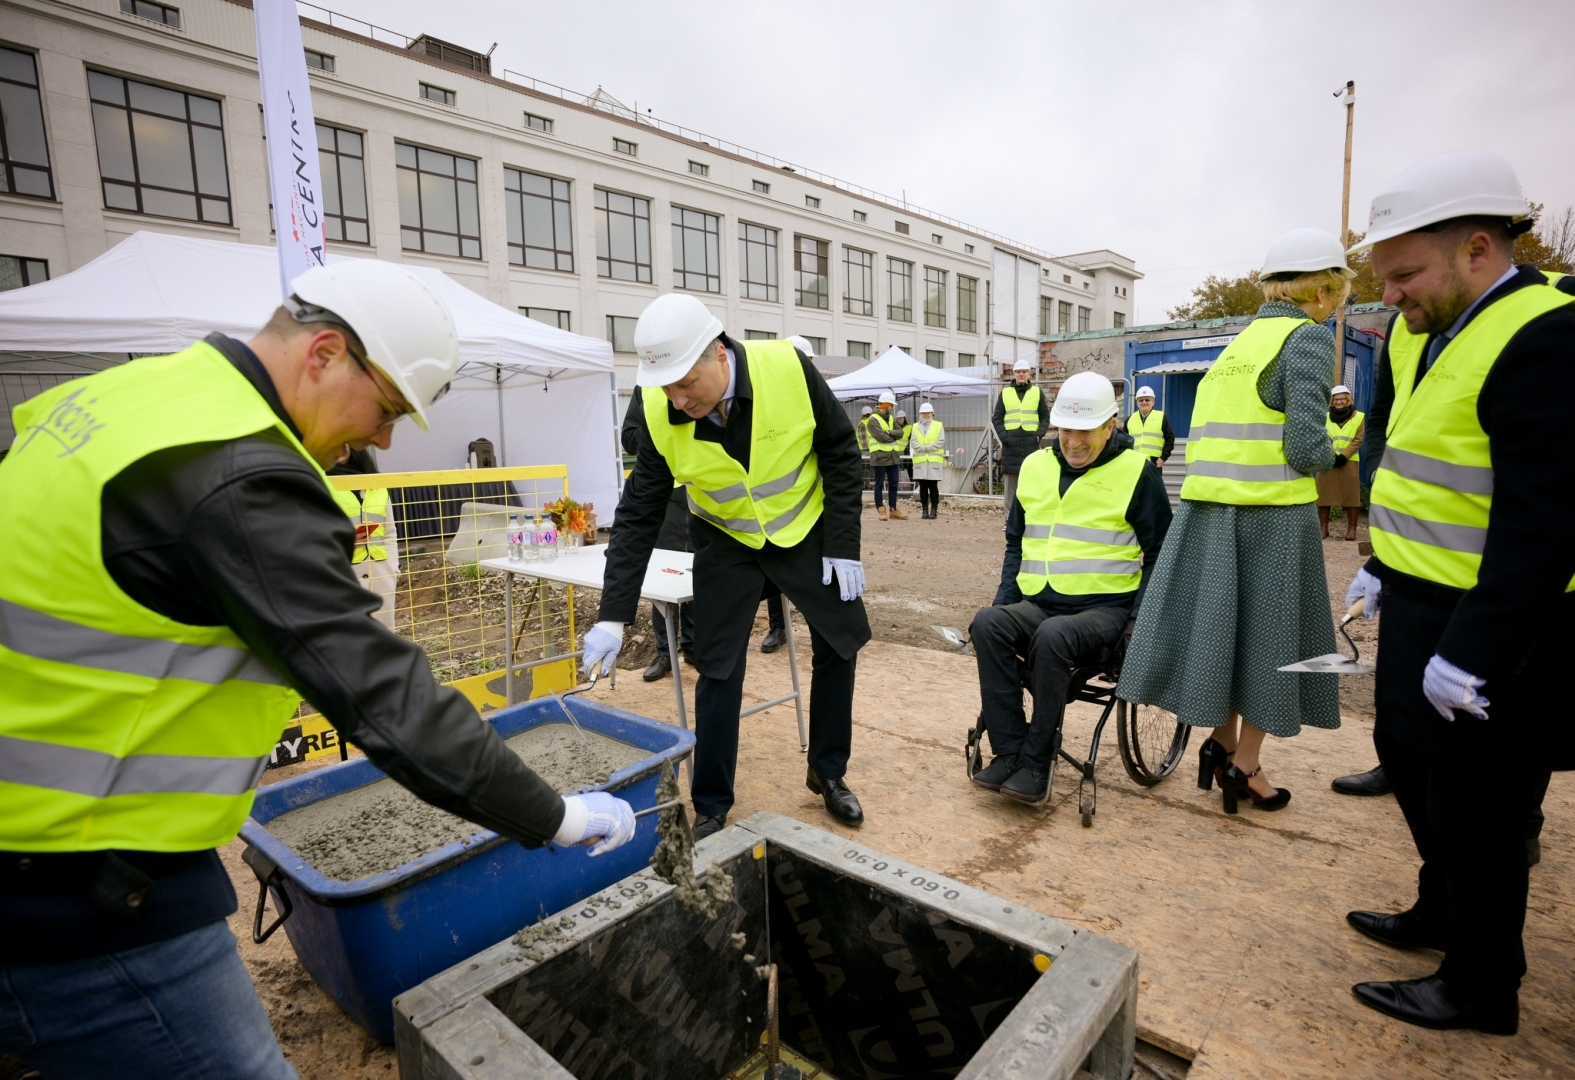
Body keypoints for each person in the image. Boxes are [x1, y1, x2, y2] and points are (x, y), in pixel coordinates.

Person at [0, 260, 635, 1080]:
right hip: (74, 877)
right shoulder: (239, 474)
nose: (383, 439)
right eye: (389, 408)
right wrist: (553, 818)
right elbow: (386, 700)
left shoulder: (129, 401)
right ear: (326, 353)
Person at [1336, 152, 1575, 1035]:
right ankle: (1441, 912)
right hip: (1421, 597)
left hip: (1494, 623)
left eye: (1403, 275)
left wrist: (1473, 652)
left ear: (1477, 248)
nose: (1390, 296)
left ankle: (1480, 986)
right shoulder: (1442, 327)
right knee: (1408, 760)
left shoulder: (1541, 334)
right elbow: (1425, 464)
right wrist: (1382, 566)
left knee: (1479, 809)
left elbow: (1541, 522)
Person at [581, 294, 869, 840]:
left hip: (802, 528)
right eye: (666, 385)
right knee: (715, 663)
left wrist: (843, 544)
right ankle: (711, 803)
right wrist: (614, 615)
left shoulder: (788, 367)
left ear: (719, 354)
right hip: (725, 536)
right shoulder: (658, 405)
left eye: (686, 383)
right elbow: (638, 513)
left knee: (840, 640)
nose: (677, 398)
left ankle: (828, 773)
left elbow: (838, 450)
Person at [1117, 227, 1347, 814]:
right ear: (1322, 289)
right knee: (1269, 642)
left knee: (1225, 636)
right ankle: (1244, 765)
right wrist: (1337, 455)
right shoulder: (1309, 339)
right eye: (1340, 287)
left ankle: (1219, 741)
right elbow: (1303, 446)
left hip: (1209, 515)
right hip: (1270, 519)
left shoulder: (1241, 343)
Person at [969, 373, 1171, 802]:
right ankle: (1009, 753)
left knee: (1053, 636)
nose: (1073, 442)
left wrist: (1139, 623)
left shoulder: (1137, 472)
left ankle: (1037, 764)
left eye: (1086, 431)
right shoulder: (1035, 466)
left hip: (1103, 610)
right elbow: (1016, 543)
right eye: (1065, 430)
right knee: (987, 624)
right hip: (1039, 602)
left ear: (1111, 425)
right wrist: (1004, 603)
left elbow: (1160, 555)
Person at [620, 385, 695, 681]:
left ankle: (692, 646)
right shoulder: (646, 390)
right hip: (664, 497)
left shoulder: (696, 382)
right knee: (664, 575)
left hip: (701, 491)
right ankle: (665, 650)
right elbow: (628, 439)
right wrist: (660, 429)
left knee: (696, 571)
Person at [328, 448, 398, 629]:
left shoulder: (378, 487)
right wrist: (346, 540)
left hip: (381, 576)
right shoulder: (322, 485)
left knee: (385, 636)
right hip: (343, 575)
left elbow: (390, 532)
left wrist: (392, 570)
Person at [993, 358, 1048, 509]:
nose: (1021, 374)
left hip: (1031, 443)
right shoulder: (1005, 393)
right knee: (1011, 484)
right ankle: (1009, 518)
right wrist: (1005, 437)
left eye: (1024, 372)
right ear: (1014, 374)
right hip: (1011, 445)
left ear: (1029, 374)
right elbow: (997, 418)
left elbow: (1045, 417)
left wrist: (1038, 434)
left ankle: (1029, 515)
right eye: (1018, 372)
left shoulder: (1037, 392)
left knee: (1031, 482)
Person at [1317, 385, 1365, 541]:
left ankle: (1352, 530)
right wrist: (1331, 455)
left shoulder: (1359, 417)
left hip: (1349, 461)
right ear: (1332, 401)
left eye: (1342, 399)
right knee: (1323, 494)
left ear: (1348, 400)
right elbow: (1322, 437)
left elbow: (1358, 440)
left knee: (1352, 496)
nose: (1339, 402)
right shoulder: (1325, 417)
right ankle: (1323, 528)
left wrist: (1343, 456)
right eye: (1336, 399)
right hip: (1328, 460)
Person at [868, 390, 907, 520]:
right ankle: (881, 509)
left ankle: (893, 509)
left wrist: (890, 432)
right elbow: (882, 437)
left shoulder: (890, 418)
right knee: (879, 484)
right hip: (879, 457)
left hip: (892, 457)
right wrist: (893, 436)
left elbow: (900, 432)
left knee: (894, 483)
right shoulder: (872, 420)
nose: (892, 407)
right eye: (891, 405)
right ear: (885, 405)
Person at [909, 402, 946, 519]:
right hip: (920, 461)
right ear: (920, 414)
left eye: (928, 413)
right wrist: (923, 448)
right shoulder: (915, 426)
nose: (926, 415)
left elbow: (941, 441)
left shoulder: (938, 425)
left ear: (932, 414)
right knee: (923, 486)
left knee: (933, 486)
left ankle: (934, 510)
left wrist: (926, 448)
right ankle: (924, 509)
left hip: (933, 460)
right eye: (924, 413)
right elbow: (913, 442)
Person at [1124, 385, 1174, 468]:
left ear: (1153, 402)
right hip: (1134, 461)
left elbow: (1170, 438)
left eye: (1147, 400)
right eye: (1141, 400)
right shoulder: (1130, 419)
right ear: (1137, 403)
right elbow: (1123, 441)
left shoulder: (1161, 417)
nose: (1144, 402)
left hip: (1154, 462)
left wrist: (1163, 457)